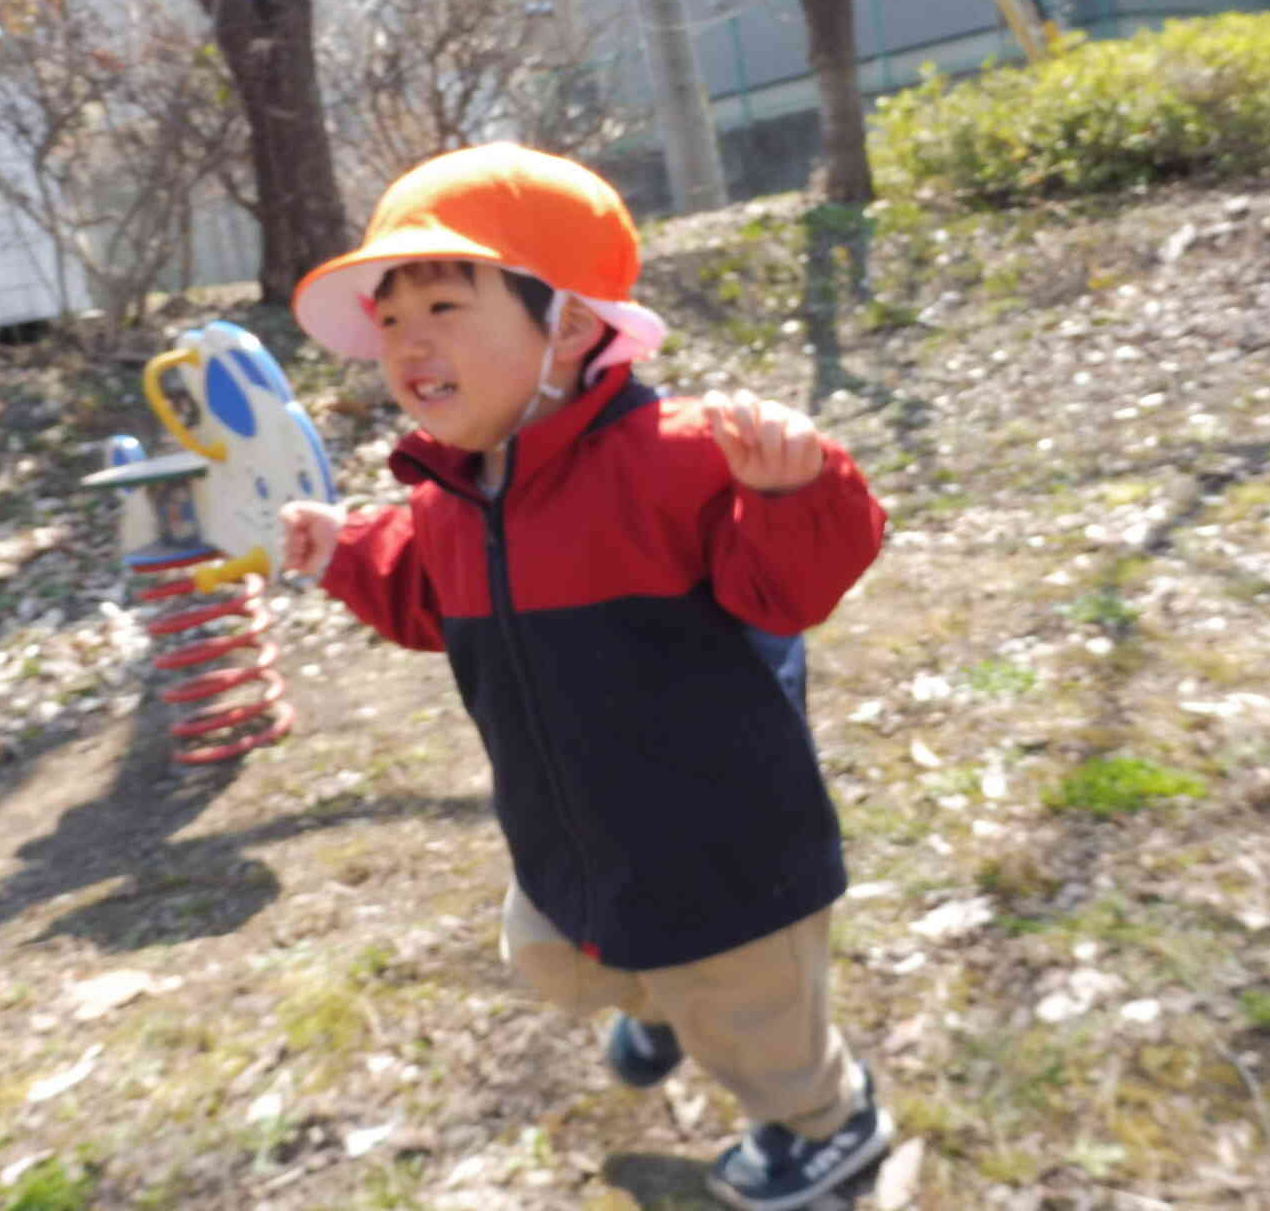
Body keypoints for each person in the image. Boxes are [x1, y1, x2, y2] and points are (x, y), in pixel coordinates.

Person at [280, 143, 891, 1210]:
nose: (407, 341)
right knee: (551, 948)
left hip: (725, 845)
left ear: (564, 325)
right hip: (571, 822)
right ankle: (654, 997)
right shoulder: (451, 499)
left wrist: (795, 493)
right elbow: (424, 599)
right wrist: (339, 549)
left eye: (443, 305)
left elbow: (786, 591)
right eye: (388, 319)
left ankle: (828, 1124)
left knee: (756, 1024)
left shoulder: (678, 456)